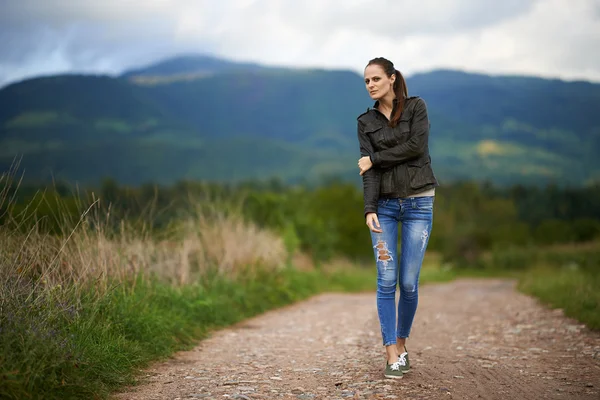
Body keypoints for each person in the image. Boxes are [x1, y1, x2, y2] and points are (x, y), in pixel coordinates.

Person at [356, 57, 438, 379]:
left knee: (408, 283)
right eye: (366, 81)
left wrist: (375, 158)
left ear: (391, 79)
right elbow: (368, 172)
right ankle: (391, 352)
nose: (371, 85)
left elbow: (417, 147)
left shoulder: (416, 108)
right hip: (385, 207)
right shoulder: (365, 122)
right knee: (386, 280)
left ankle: (402, 343)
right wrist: (369, 208)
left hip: (419, 202)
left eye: (376, 79)